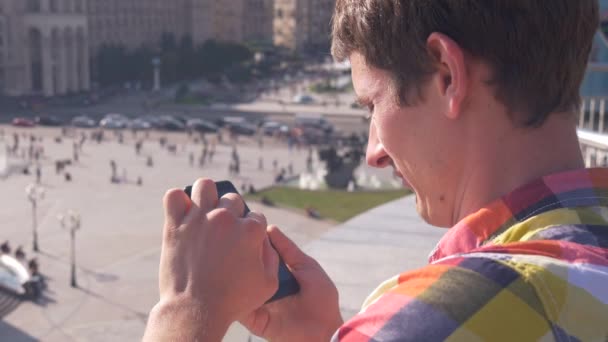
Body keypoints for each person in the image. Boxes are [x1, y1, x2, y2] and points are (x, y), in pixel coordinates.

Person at [143, 1, 608, 341]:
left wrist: (186, 311)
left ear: (446, 75)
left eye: (373, 104)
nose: (373, 153)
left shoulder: (429, 322)